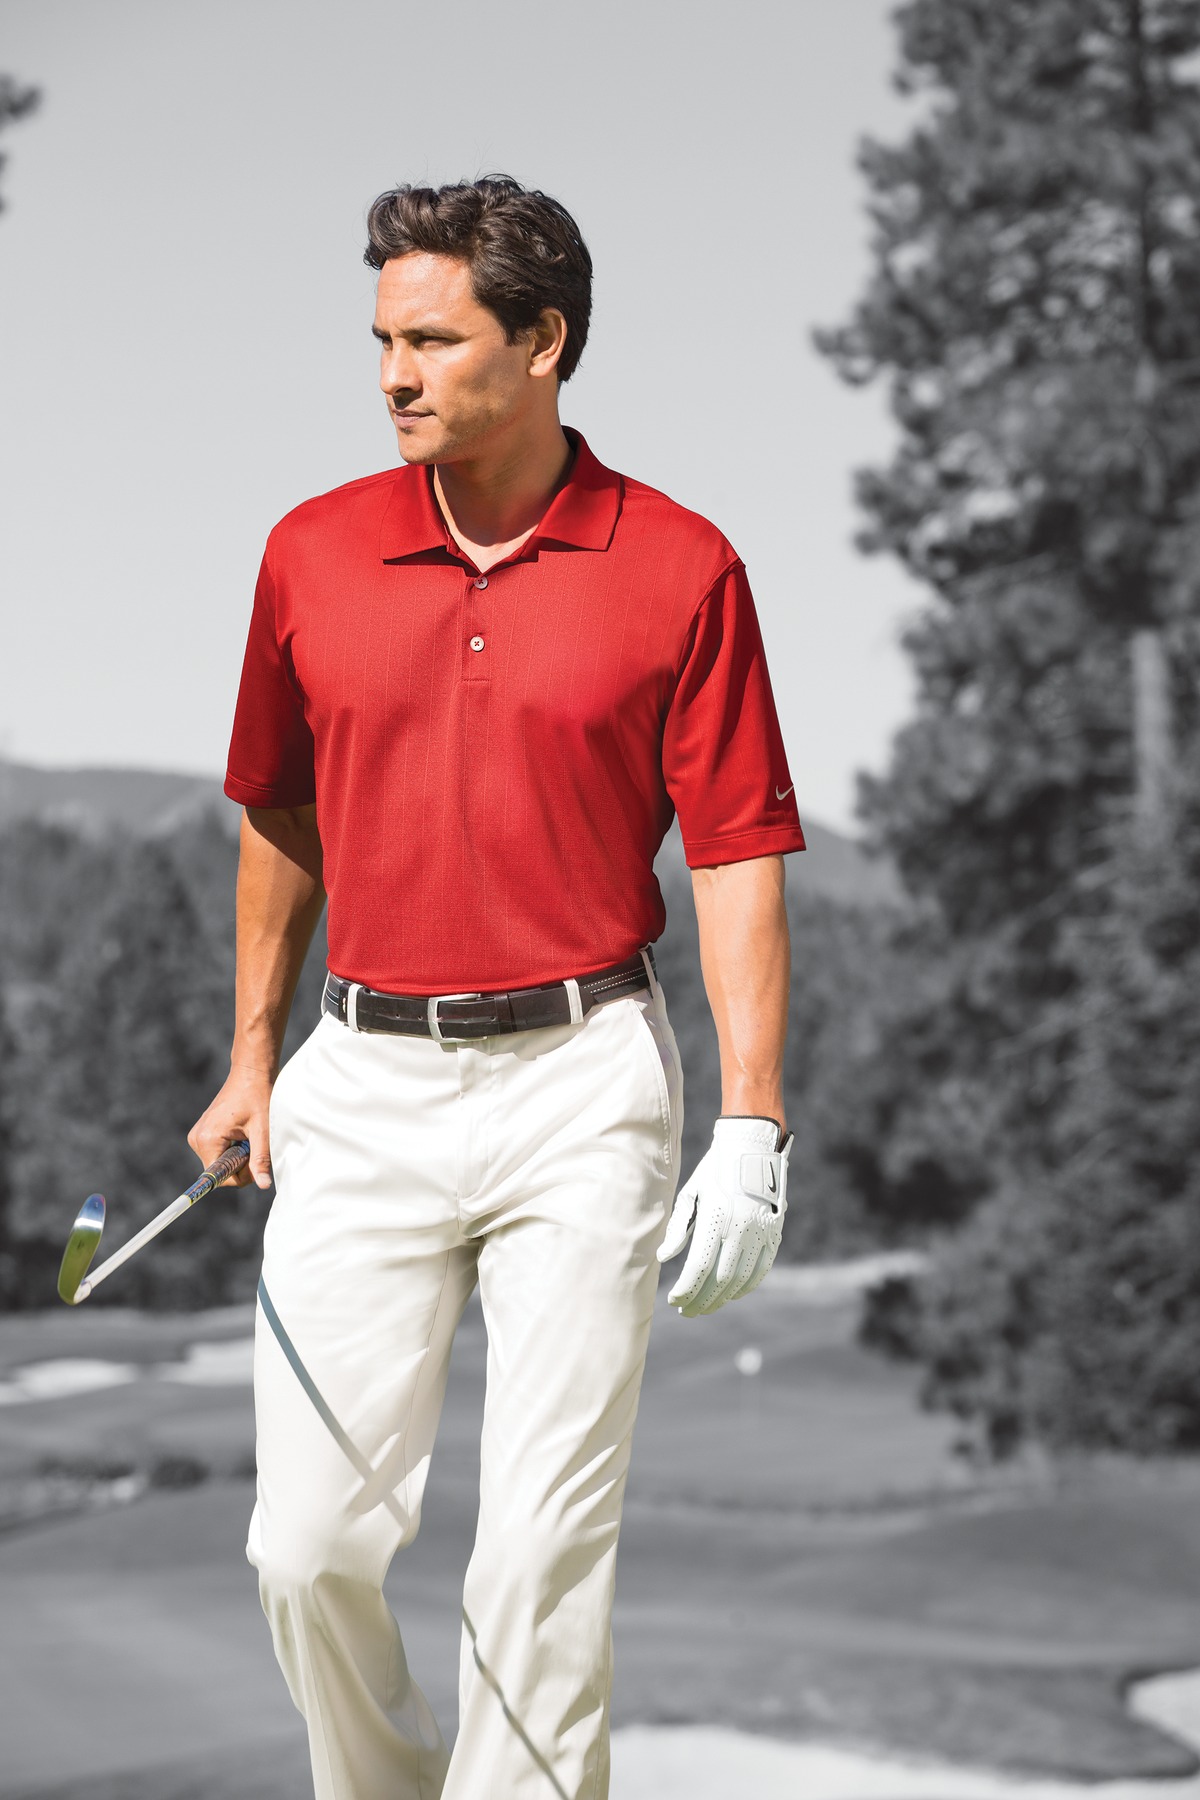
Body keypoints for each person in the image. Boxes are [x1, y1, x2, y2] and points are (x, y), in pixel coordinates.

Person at [189, 173, 806, 1800]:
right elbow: (278, 814)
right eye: (382, 341)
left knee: (539, 1562)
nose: (395, 375)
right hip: (359, 1079)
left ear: (543, 343)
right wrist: (250, 1056)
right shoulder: (309, 553)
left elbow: (738, 852)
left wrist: (752, 1120)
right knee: (304, 1548)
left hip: (584, 1081)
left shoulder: (681, 564)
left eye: (435, 341)